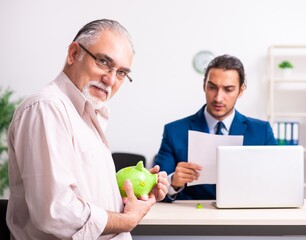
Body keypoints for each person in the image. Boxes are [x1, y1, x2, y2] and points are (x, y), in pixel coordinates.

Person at [7, 19, 168, 240]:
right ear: (74, 54)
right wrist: (127, 221)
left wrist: (138, 191)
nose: (110, 80)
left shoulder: (89, 113)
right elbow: (55, 212)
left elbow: (92, 197)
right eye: (103, 62)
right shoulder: (46, 108)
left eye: (121, 73)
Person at [153, 54, 276, 202]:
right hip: (191, 219)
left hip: (245, 217)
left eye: (228, 89)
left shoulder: (261, 131)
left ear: (241, 90)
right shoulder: (174, 131)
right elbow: (154, 190)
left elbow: (275, 181)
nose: (218, 98)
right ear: (204, 85)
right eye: (212, 87)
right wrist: (173, 182)